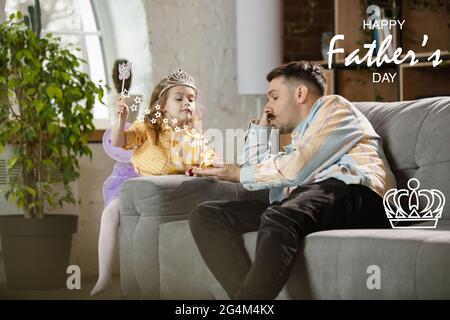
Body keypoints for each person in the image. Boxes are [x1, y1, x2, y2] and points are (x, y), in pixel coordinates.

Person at [189, 61, 396, 300]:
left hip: (359, 195)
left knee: (279, 215)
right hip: (309, 201)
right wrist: (261, 129)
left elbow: (295, 167)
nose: (268, 106)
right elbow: (254, 170)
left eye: (274, 97)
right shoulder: (298, 141)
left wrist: (236, 173)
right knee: (207, 215)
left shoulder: (335, 107)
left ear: (300, 93)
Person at [91, 68, 216, 296]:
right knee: (110, 213)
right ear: (163, 104)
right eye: (178, 98)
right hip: (137, 181)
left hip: (169, 192)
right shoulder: (147, 128)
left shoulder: (193, 135)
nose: (186, 102)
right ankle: (104, 275)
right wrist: (121, 120)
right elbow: (119, 141)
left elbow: (207, 161)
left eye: (191, 98)